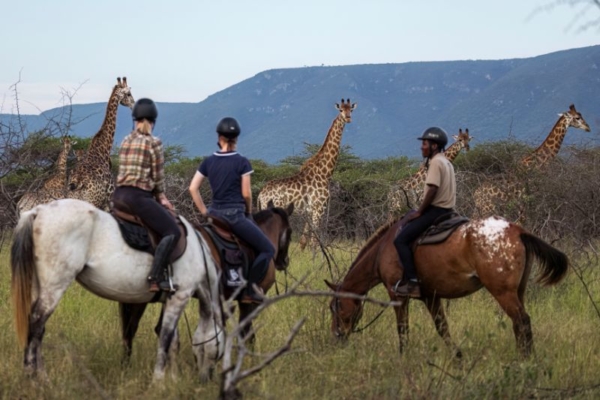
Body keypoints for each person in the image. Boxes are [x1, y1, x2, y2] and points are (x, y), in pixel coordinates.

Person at [189, 117, 275, 304]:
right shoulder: (242, 162)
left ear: (219, 138)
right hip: (235, 216)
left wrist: (204, 212)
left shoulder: (208, 161)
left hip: (214, 215)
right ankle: (250, 289)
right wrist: (248, 210)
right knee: (267, 248)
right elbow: (246, 193)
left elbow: (192, 188)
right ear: (236, 138)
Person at [111, 98, 181, 293]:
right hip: (137, 198)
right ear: (153, 121)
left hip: (119, 196)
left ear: (135, 120)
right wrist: (162, 198)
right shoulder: (154, 143)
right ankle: (155, 277)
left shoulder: (125, 140)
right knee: (172, 231)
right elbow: (157, 177)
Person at [393, 127, 456, 298]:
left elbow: (433, 188)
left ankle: (412, 281)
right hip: (449, 211)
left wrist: (420, 211)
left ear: (434, 146)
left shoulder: (435, 162)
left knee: (401, 240)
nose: (422, 147)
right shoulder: (446, 161)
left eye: (425, 143)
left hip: (436, 211)